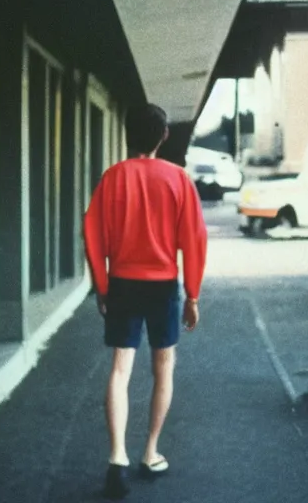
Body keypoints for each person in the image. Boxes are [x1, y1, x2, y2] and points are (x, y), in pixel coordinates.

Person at [82, 104, 208, 500]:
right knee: (163, 367)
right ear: (164, 136)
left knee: (120, 369)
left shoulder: (112, 178)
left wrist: (102, 286)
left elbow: (93, 235)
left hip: (122, 283)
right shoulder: (178, 179)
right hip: (162, 285)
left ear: (127, 132)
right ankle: (150, 452)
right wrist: (192, 294)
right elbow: (195, 239)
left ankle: (116, 457)